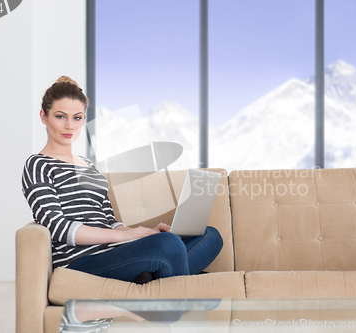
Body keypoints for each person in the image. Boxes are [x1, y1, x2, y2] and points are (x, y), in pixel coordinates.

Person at [22, 76, 223, 284]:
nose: (70, 126)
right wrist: (125, 237)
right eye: (60, 116)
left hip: (117, 253)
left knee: (210, 236)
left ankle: (153, 276)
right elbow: (59, 227)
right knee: (169, 245)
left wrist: (144, 233)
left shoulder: (88, 165)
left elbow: (109, 221)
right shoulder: (38, 164)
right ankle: (169, 282)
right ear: (44, 117)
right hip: (81, 262)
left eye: (77, 117)